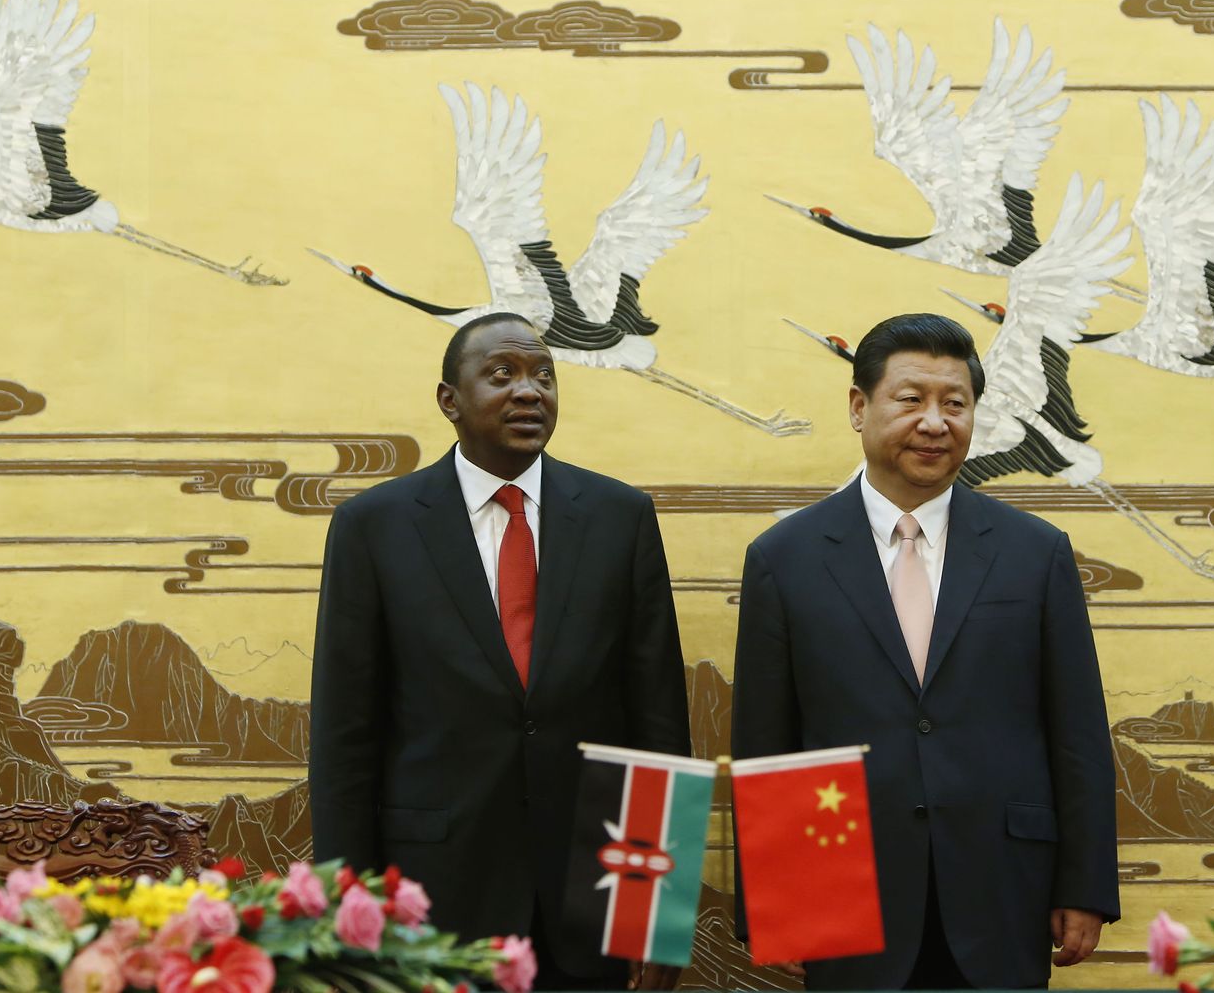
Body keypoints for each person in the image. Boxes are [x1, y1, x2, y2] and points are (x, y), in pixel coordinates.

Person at [731, 312, 1118, 989]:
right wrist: (778, 902)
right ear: (860, 407)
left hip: (1003, 888)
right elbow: (770, 743)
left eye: (955, 404)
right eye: (911, 399)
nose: (935, 422)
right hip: (849, 891)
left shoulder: (1035, 553)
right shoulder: (784, 559)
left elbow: (1077, 732)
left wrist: (1084, 886)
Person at [310, 312, 691, 990]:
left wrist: (660, 918)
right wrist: (349, 909)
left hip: (590, 897)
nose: (530, 391)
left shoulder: (619, 518)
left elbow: (657, 730)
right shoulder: (374, 527)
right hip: (429, 902)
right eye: (502, 374)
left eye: (544, 375)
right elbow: (345, 738)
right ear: (449, 401)